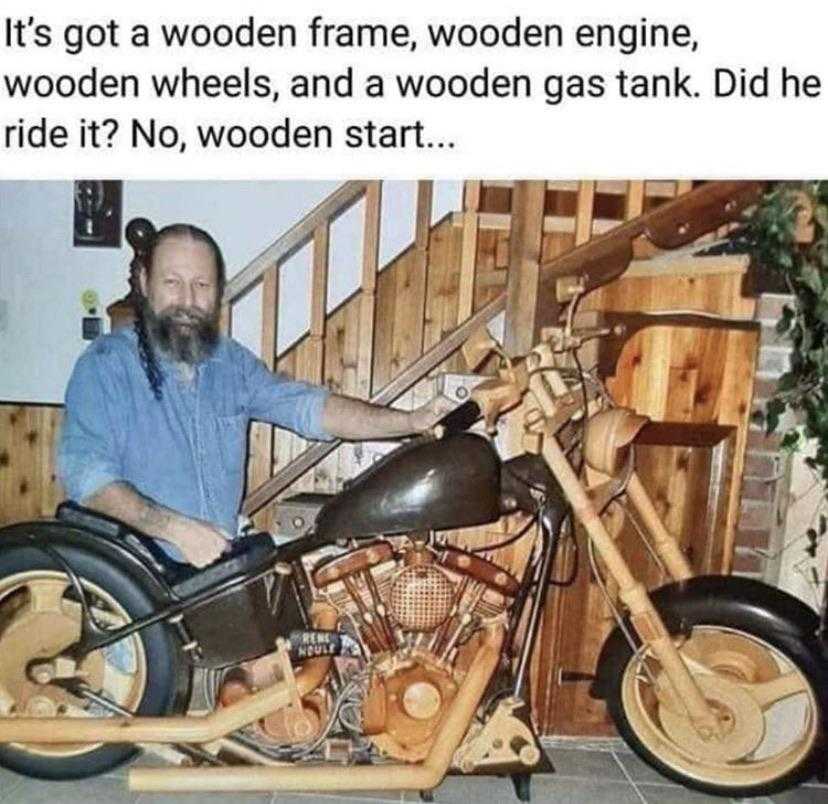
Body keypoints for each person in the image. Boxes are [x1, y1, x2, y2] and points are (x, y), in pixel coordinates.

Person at [57, 223, 451, 568]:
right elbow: (87, 478)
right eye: (172, 282)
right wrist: (177, 530)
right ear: (145, 284)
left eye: (201, 285)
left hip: (216, 571)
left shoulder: (231, 364)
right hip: (134, 586)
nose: (187, 302)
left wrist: (410, 421)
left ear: (217, 294)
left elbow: (309, 408)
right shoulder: (105, 365)